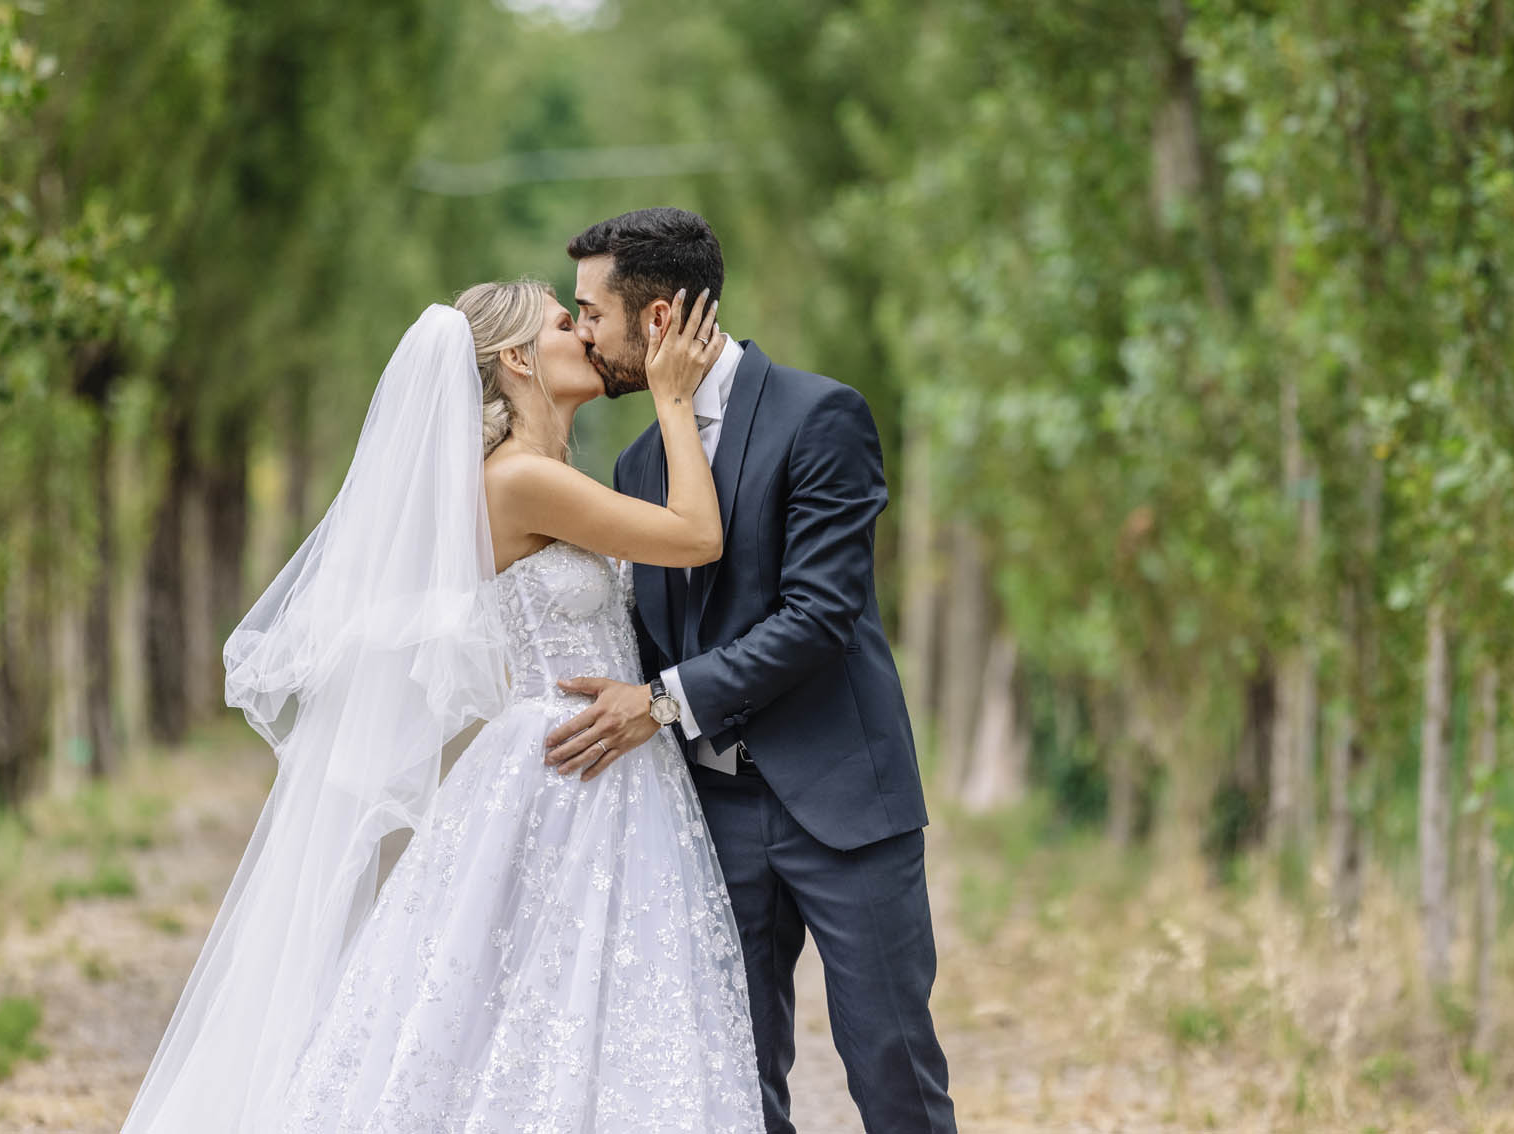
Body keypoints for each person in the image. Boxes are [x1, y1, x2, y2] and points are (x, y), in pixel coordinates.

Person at [120, 281, 762, 1133]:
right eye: (565, 323)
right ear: (518, 359)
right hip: (562, 771)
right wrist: (676, 401)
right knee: (534, 1007)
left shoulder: (550, 472)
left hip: (605, 761)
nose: (586, 334)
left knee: (567, 1014)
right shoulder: (521, 479)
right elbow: (694, 537)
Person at [548, 207, 957, 1133]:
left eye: (589, 312)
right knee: (732, 1084)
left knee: (894, 1076)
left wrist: (660, 702)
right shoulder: (638, 459)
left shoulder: (824, 416)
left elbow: (819, 617)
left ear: (655, 323)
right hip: (709, 817)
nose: (580, 333)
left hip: (846, 806)